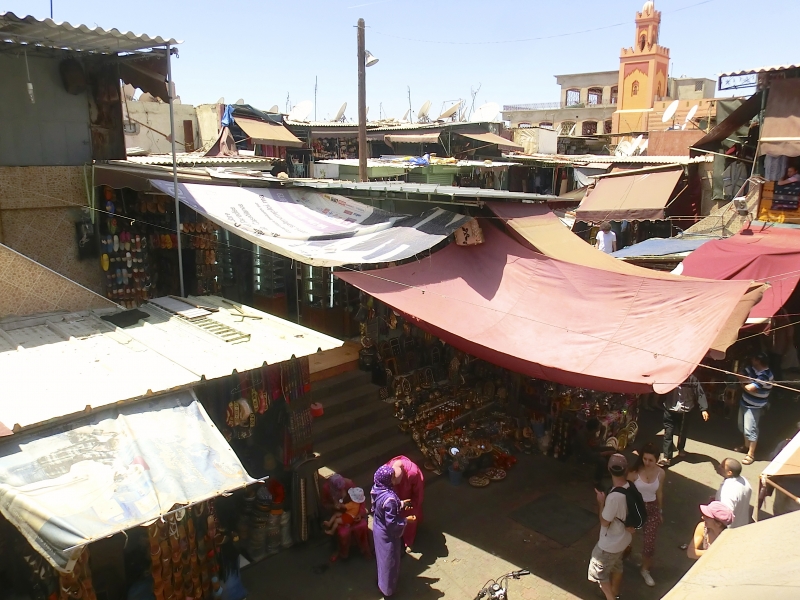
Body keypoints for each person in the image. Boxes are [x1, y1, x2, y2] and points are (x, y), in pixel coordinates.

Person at [588, 454, 634, 600]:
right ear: (626, 469)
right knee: (616, 565)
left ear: (609, 469)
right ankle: (615, 592)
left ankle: (611, 597)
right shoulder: (631, 489)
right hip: (624, 539)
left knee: (598, 573)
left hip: (609, 544)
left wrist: (601, 502)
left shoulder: (614, 497)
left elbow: (604, 521)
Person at [372, 465, 415, 597]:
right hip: (387, 535)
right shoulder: (389, 498)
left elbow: (381, 507)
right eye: (391, 477)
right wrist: (407, 520)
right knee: (389, 562)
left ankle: (381, 583)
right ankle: (388, 591)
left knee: (382, 560)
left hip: (378, 529)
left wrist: (402, 504)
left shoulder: (377, 488)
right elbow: (392, 524)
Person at [629, 443, 665, 587]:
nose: (647, 463)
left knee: (649, 543)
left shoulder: (661, 473)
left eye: (651, 460)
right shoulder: (634, 472)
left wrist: (660, 511)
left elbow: (659, 492)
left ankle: (645, 569)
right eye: (645, 459)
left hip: (652, 509)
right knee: (627, 538)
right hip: (636, 508)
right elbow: (628, 492)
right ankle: (619, 561)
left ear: (656, 460)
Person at [658, 372, 709, 467]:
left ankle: (681, 448)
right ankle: (666, 457)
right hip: (670, 409)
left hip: (685, 411)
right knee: (668, 433)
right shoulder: (670, 377)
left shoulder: (692, 379)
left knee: (682, 432)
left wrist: (703, 409)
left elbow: (700, 393)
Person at [319, 473, 370, 562]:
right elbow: (324, 504)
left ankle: (365, 549)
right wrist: (333, 506)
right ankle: (341, 551)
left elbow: (360, 500)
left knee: (362, 526)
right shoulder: (326, 489)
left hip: (354, 513)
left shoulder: (349, 484)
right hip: (339, 514)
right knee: (343, 533)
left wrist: (360, 514)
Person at [736, 352, 774, 465]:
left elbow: (749, 388)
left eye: (753, 359)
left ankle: (750, 454)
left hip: (754, 407)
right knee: (741, 426)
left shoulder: (765, 375)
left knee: (750, 430)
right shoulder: (753, 368)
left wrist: (742, 383)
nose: (751, 360)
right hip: (744, 402)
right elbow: (740, 374)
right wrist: (744, 380)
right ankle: (746, 446)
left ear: (758, 361)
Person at [385, 455, 424, 550]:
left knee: (410, 521)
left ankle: (408, 541)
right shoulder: (387, 469)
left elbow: (418, 493)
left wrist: (413, 504)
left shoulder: (413, 474)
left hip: (408, 500)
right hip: (393, 498)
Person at [574, 418, 617, 488]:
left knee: (612, 449)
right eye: (597, 429)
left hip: (593, 448)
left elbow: (603, 427)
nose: (598, 430)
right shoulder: (581, 436)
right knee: (602, 461)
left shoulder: (591, 429)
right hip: (583, 454)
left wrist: (599, 438)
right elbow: (589, 454)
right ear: (593, 429)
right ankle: (597, 481)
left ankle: (605, 471)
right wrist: (605, 453)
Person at [714, 458, 752, 528]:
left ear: (729, 473)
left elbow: (724, 515)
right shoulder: (745, 482)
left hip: (729, 529)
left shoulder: (728, 490)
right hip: (742, 524)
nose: (719, 466)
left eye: (722, 466)